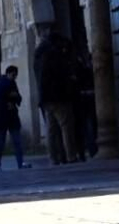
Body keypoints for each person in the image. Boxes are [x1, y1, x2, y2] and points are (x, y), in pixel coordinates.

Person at [33, 24, 80, 164]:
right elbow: (60, 75)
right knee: (66, 126)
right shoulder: (54, 54)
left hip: (45, 97)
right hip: (58, 96)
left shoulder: (38, 54)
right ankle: (71, 155)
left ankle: (53, 157)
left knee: (51, 129)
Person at [0, 65, 30, 171]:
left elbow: (17, 97)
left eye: (15, 75)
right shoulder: (2, 85)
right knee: (2, 142)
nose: (14, 77)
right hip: (3, 117)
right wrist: (11, 98)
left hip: (7, 117)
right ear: (8, 73)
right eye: (13, 75)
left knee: (14, 141)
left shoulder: (7, 84)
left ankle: (17, 163)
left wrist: (13, 98)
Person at [73, 45, 98, 160]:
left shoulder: (82, 70)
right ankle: (90, 150)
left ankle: (88, 150)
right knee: (88, 128)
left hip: (85, 104)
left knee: (88, 128)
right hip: (85, 104)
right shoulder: (82, 70)